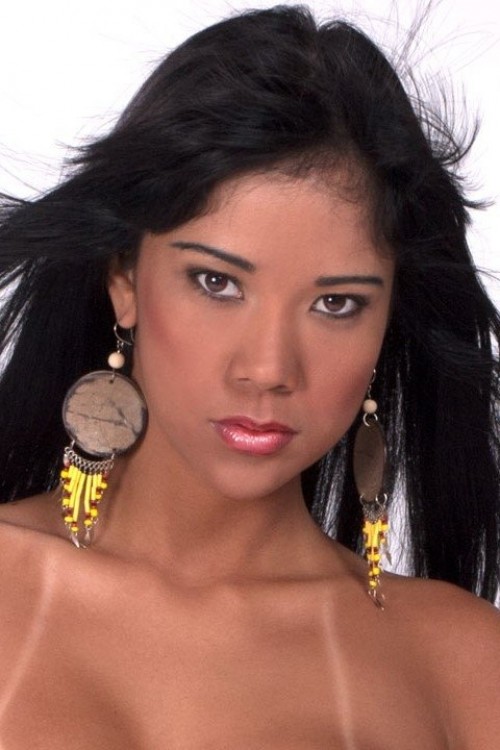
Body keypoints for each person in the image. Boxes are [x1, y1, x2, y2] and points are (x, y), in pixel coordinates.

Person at [0, 4, 499, 748]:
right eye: (217, 283)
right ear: (125, 279)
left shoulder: (461, 664)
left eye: (336, 303)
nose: (268, 369)